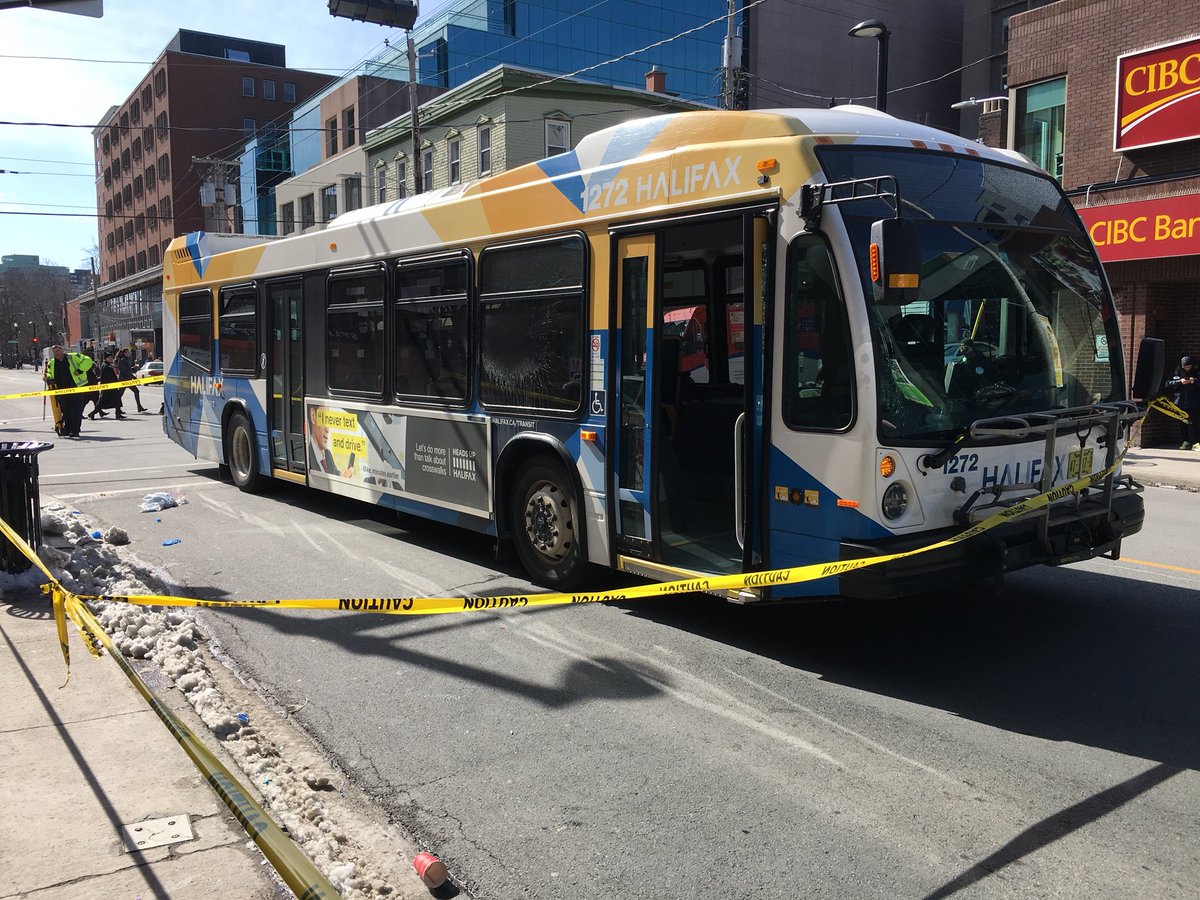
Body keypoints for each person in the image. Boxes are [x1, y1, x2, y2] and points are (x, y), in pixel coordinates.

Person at [44, 344, 94, 438]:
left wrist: (80, 370)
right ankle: (67, 429)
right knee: (66, 411)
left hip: (76, 388)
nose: (56, 353)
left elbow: (88, 361)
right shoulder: (52, 362)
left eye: (58, 351)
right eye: (54, 352)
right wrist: (47, 377)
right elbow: (49, 373)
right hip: (61, 391)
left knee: (76, 411)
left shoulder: (73, 357)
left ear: (62, 350)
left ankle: (75, 430)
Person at [1166, 354, 1200, 450]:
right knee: (1182, 423)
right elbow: (1168, 384)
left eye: (1189, 367)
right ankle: (1185, 441)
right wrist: (1179, 382)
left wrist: (1195, 382)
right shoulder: (1176, 372)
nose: (1187, 369)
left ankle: (1196, 442)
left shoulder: (1197, 372)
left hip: (1194, 401)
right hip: (1179, 401)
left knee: (1194, 423)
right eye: (1185, 367)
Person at [90, 353, 127, 420]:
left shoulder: (108, 365)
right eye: (109, 357)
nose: (111, 358)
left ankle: (118, 414)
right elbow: (107, 377)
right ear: (106, 358)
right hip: (108, 387)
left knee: (117, 399)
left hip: (112, 386)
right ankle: (92, 413)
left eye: (111, 357)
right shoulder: (105, 366)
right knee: (102, 402)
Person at [117, 347, 148, 412]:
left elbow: (128, 370)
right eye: (128, 352)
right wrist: (133, 377)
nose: (130, 353)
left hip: (127, 379)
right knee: (120, 394)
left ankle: (139, 407)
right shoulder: (123, 360)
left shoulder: (126, 360)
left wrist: (133, 369)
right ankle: (118, 409)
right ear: (125, 353)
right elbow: (123, 371)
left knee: (134, 392)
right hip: (124, 380)